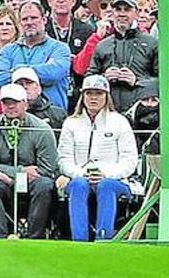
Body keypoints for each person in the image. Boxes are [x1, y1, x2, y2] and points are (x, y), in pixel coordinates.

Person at [57, 75, 138, 241]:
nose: (93, 98)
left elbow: (129, 160)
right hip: (81, 177)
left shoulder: (120, 122)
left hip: (113, 180)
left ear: (106, 96)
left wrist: (105, 174)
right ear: (83, 96)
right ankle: (79, 240)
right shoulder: (71, 123)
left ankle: (103, 238)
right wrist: (81, 173)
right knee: (78, 185)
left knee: (106, 186)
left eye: (99, 93)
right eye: (89, 93)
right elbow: (64, 159)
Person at [0, 83, 58, 238]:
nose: (10, 106)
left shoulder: (42, 129)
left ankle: (34, 237)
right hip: (3, 182)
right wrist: (20, 172)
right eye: (6, 103)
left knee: (45, 184)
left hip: (32, 182)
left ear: (26, 104)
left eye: (15, 102)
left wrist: (12, 177)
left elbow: (47, 169)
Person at [86, 0, 159, 112]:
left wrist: (137, 80)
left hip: (142, 112)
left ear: (136, 13)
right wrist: (103, 78)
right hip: (108, 110)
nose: (122, 14)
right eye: (118, 9)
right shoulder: (103, 45)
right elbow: (89, 78)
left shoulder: (152, 43)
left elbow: (163, 79)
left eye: (127, 9)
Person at [0, 0, 72, 110]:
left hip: (53, 117)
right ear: (20, 23)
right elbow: (1, 79)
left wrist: (17, 70)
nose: (29, 22)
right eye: (25, 19)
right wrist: (44, 68)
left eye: (34, 18)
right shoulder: (7, 51)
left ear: (44, 20)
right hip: (17, 117)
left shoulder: (60, 48)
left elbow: (54, 73)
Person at [13, 67, 66, 132]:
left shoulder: (58, 114)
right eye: (20, 84)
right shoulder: (8, 116)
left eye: (29, 83)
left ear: (39, 88)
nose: (25, 87)